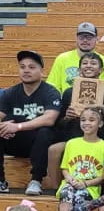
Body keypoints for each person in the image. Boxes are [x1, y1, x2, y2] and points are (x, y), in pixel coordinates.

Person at [48, 52, 104, 188]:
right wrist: (67, 117)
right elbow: (59, 124)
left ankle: (101, 187)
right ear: (79, 70)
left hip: (99, 140)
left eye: (93, 63)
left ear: (101, 70)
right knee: (53, 149)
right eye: (85, 63)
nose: (88, 66)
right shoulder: (68, 92)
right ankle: (57, 190)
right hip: (73, 140)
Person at [0, 51, 61, 195]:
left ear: (42, 71)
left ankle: (36, 180)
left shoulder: (50, 92)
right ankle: (1, 180)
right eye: (22, 67)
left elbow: (49, 118)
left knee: (45, 132)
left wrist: (18, 126)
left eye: (32, 67)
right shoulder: (10, 93)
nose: (26, 70)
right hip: (15, 141)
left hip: (38, 144)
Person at [55, 107, 104, 211]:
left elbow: (103, 176)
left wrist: (85, 183)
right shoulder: (72, 143)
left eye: (92, 120)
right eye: (83, 119)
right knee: (66, 194)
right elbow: (65, 168)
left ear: (100, 124)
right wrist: (69, 179)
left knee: (77, 200)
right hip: (70, 183)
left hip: (89, 187)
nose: (86, 123)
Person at [47, 22, 104, 95]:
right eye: (81, 37)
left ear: (97, 39)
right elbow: (52, 88)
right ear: (76, 39)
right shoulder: (62, 59)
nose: (85, 40)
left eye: (89, 37)